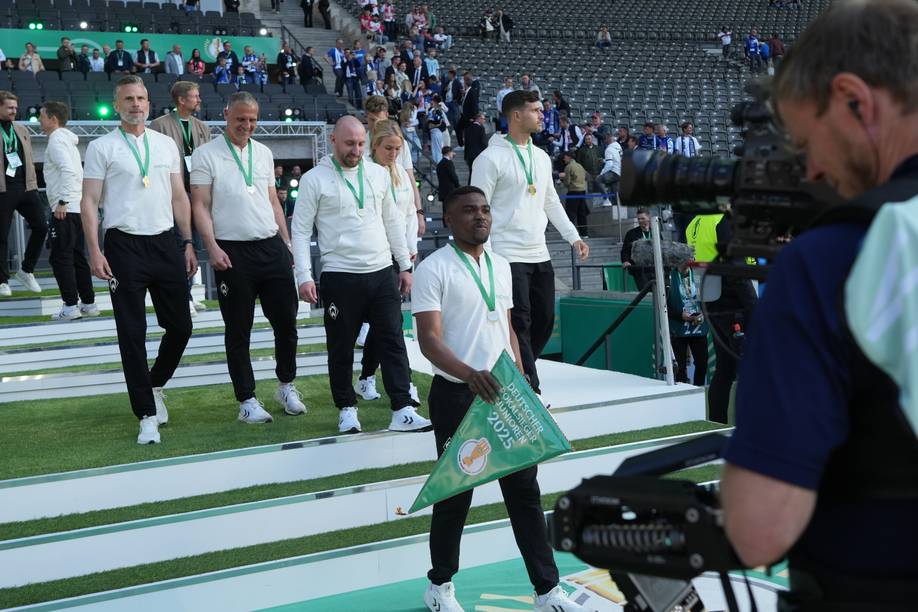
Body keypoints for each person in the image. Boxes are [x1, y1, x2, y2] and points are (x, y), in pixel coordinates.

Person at [719, 1, 918, 608]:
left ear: (855, 101)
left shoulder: (838, 256)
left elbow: (758, 530)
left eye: (808, 141)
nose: (811, 169)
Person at [413, 186, 588, 612]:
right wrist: (471, 376)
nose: (481, 217)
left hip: (504, 395)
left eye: (486, 210)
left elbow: (506, 327)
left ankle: (547, 590)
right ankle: (440, 586)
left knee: (525, 492)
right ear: (449, 220)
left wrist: (523, 377)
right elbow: (428, 341)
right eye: (469, 211)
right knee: (456, 496)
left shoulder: (502, 265)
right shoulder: (432, 269)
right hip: (457, 395)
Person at [292, 116, 431, 434]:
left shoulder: (378, 174)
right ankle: (347, 409)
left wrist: (404, 266)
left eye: (360, 144)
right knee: (340, 347)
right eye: (349, 143)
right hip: (339, 276)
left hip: (381, 271)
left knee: (393, 341)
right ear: (333, 141)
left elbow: (393, 221)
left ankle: (402, 409)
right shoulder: (315, 179)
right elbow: (300, 231)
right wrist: (304, 275)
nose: (355, 150)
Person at [80, 75, 197, 445]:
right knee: (132, 334)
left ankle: (154, 383)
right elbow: (88, 201)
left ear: (149, 103)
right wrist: (94, 249)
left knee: (181, 327)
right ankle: (146, 414)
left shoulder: (165, 145)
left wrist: (189, 241)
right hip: (123, 246)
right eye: (129, 99)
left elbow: (179, 196)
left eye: (142, 98)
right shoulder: (102, 147)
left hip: (165, 243)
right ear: (117, 104)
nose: (136, 104)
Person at [190, 92, 306, 423]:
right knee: (238, 329)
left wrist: (286, 243)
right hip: (231, 250)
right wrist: (210, 247)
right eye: (240, 118)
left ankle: (286, 384)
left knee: (286, 322)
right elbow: (199, 204)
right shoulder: (205, 154)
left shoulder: (265, 152)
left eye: (252, 120)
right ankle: (247, 400)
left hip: (270, 246)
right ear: (226, 114)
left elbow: (272, 201)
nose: (247, 125)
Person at [471, 91, 589, 396]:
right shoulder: (489, 158)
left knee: (545, 320)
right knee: (519, 321)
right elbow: (476, 209)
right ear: (516, 116)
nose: (542, 115)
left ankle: (516, 373)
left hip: (539, 251)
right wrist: (484, 255)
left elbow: (550, 200)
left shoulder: (540, 156)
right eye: (536, 110)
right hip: (506, 254)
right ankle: (530, 389)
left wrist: (573, 236)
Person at [354, 120, 421, 404]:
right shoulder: (365, 173)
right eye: (388, 148)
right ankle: (397, 382)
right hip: (375, 254)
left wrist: (409, 248)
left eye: (398, 148)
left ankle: (368, 376)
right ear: (375, 146)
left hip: (401, 253)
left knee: (388, 323)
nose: (394, 153)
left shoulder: (401, 176)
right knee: (388, 323)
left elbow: (406, 215)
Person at [686, 211, 756, 423]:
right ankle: (751, 425)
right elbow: (737, 271)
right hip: (734, 303)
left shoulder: (694, 223)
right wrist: (755, 308)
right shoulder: (722, 221)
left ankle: (717, 423)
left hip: (712, 301)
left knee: (725, 368)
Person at [150, 80, 212, 316]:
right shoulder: (159, 125)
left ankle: (188, 294)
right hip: (173, 195)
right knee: (181, 245)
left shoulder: (202, 127)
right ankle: (183, 296)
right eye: (195, 96)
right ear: (181, 100)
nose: (199, 99)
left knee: (194, 244)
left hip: (197, 193)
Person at [40, 101, 97, 320]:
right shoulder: (66, 141)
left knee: (60, 257)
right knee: (75, 256)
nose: (40, 121)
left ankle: (71, 306)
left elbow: (68, 170)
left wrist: (61, 201)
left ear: (53, 119)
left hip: (66, 206)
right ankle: (88, 303)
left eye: (43, 117)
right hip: (76, 206)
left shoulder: (56, 140)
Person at [0, 91, 47, 297]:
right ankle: (2, 280)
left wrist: (33, 184)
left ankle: (26, 270)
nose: (14, 111)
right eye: (9, 107)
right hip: (3, 189)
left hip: (26, 187)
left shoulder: (21, 128)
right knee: (1, 236)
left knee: (42, 226)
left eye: (15, 107)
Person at [364, 95, 425, 235]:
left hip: (400, 215)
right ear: (366, 117)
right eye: (372, 120)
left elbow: (410, 179)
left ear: (386, 115)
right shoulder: (360, 146)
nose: (375, 125)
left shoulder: (400, 144)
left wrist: (419, 212)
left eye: (379, 120)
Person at [667, 261, 707, 386]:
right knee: (680, 366)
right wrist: (680, 315)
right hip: (678, 327)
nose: (686, 262)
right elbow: (664, 305)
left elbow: (708, 299)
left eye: (688, 259)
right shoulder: (668, 277)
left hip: (698, 326)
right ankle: (682, 392)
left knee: (702, 363)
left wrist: (703, 313)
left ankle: (698, 388)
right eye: (682, 259)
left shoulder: (699, 275)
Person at [620, 207, 652, 291]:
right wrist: (625, 261)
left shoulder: (655, 231)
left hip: (654, 268)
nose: (640, 221)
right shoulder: (631, 233)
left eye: (643, 218)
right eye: (639, 219)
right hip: (639, 269)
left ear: (648, 217)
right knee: (645, 292)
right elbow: (625, 250)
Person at [560, 150, 588, 237]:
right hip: (582, 191)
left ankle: (571, 234)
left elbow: (567, 182)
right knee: (582, 214)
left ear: (569, 157)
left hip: (573, 192)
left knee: (571, 214)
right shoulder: (580, 166)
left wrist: (562, 180)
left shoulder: (569, 167)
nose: (564, 159)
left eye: (565, 157)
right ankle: (584, 233)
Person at [463, 111, 487, 183]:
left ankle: (470, 187)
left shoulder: (468, 128)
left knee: (471, 173)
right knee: (478, 174)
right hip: (478, 155)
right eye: (483, 119)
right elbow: (483, 142)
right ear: (478, 118)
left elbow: (466, 143)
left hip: (469, 155)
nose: (484, 121)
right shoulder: (481, 128)